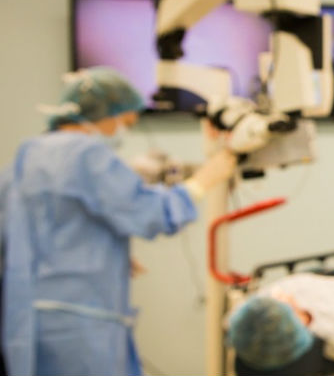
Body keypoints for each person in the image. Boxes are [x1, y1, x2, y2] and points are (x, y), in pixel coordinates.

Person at [0, 67, 237, 376]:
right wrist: (202, 182)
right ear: (106, 115)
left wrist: (104, 247)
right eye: (125, 123)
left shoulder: (28, 155)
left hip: (25, 314)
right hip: (78, 320)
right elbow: (149, 213)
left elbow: (29, 231)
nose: (123, 132)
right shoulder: (86, 155)